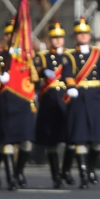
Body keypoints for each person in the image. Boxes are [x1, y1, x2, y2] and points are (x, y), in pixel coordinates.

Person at [62, 16, 100, 188]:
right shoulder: (69, 55)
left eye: (85, 33)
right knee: (80, 137)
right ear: (76, 36)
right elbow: (67, 72)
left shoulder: (98, 54)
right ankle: (83, 173)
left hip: (96, 97)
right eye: (80, 33)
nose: (83, 36)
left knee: (98, 138)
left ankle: (91, 167)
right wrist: (70, 86)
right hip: (79, 97)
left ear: (89, 35)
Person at [0, 18, 37, 190]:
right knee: (6, 142)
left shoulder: (27, 58)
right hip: (6, 104)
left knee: (26, 143)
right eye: (8, 35)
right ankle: (10, 177)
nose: (12, 37)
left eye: (15, 34)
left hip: (24, 103)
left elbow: (35, 80)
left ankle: (18, 172)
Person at [35, 22, 72, 188]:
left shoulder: (69, 56)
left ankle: (66, 171)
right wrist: (43, 71)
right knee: (52, 142)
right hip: (49, 101)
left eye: (60, 37)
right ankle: (56, 175)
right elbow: (34, 71)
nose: (58, 40)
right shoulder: (42, 57)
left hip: (66, 100)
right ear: (50, 40)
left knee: (71, 138)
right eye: (54, 37)